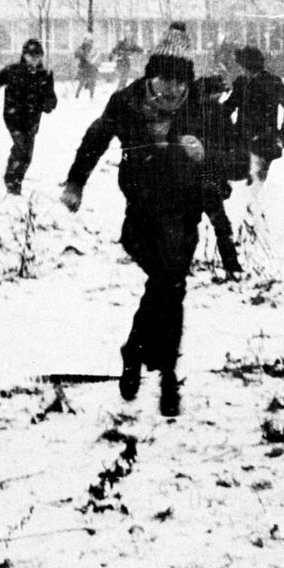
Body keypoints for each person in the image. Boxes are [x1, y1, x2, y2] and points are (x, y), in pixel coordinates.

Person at [60, 42, 203, 417]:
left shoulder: (196, 107)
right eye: (165, 80)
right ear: (150, 76)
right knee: (168, 284)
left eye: (180, 82)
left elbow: (229, 160)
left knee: (169, 286)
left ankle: (140, 353)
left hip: (185, 214)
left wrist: (205, 154)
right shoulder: (126, 102)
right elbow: (96, 139)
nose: (173, 90)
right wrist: (76, 183)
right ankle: (166, 372)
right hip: (142, 215)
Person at [0, 38, 58, 196]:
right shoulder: (13, 71)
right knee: (21, 148)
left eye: (37, 56)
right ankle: (11, 181)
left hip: (33, 120)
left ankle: (17, 179)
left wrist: (49, 104)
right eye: (30, 56)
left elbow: (51, 97)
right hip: (13, 117)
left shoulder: (45, 75)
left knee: (27, 155)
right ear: (24, 56)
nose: (34, 60)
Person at [225, 45, 284, 200]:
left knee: (254, 190)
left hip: (263, 143)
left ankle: (253, 215)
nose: (241, 70)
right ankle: (250, 214)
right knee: (246, 189)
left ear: (247, 66)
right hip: (245, 143)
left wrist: (283, 136)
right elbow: (227, 109)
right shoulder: (243, 83)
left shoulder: (271, 82)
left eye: (242, 66)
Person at [188, 74, 242, 278]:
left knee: (190, 225)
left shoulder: (191, 112)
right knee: (219, 224)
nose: (220, 97)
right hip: (205, 178)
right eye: (217, 93)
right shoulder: (216, 113)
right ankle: (232, 267)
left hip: (197, 179)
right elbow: (229, 146)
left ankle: (181, 265)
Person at [74, 33, 101, 98]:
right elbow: (78, 56)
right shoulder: (81, 48)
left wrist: (93, 56)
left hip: (90, 67)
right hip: (84, 67)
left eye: (90, 40)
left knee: (91, 82)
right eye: (87, 40)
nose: (89, 42)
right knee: (82, 82)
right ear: (85, 40)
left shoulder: (90, 48)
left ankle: (91, 95)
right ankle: (77, 95)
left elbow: (92, 57)